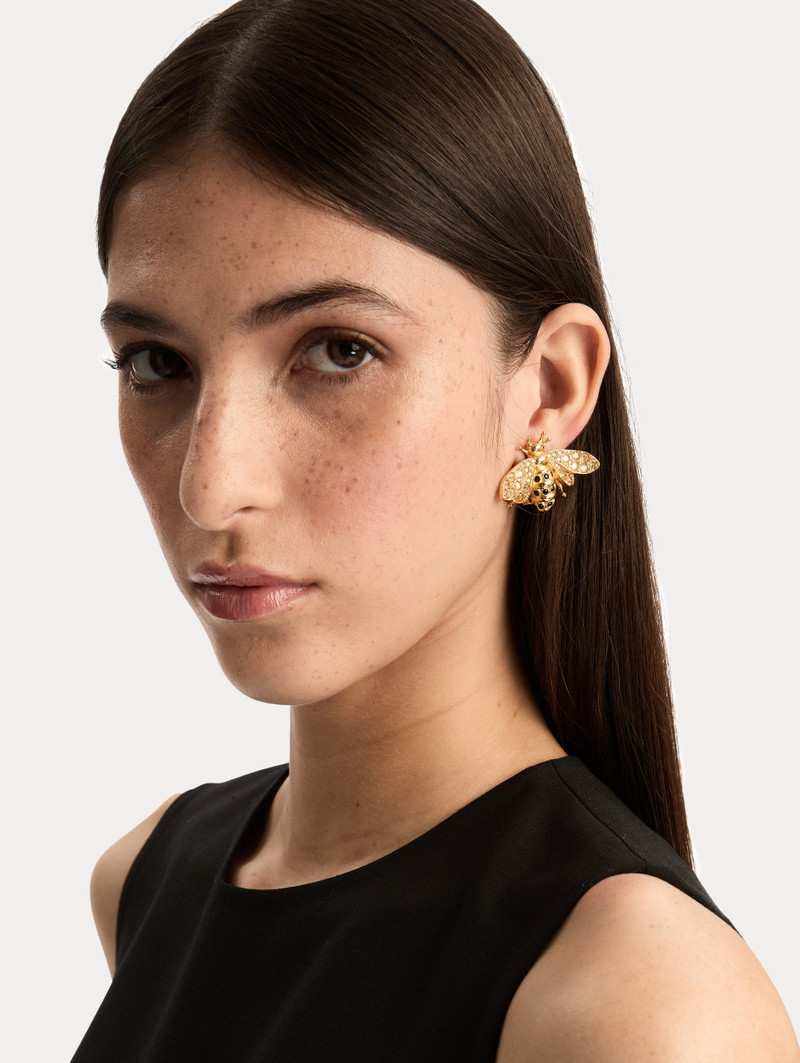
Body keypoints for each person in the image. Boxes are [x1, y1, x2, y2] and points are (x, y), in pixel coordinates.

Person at [71, 0, 800, 1059]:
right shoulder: (143, 881)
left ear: (549, 390)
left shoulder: (639, 1007)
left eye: (339, 352)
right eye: (157, 364)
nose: (210, 486)